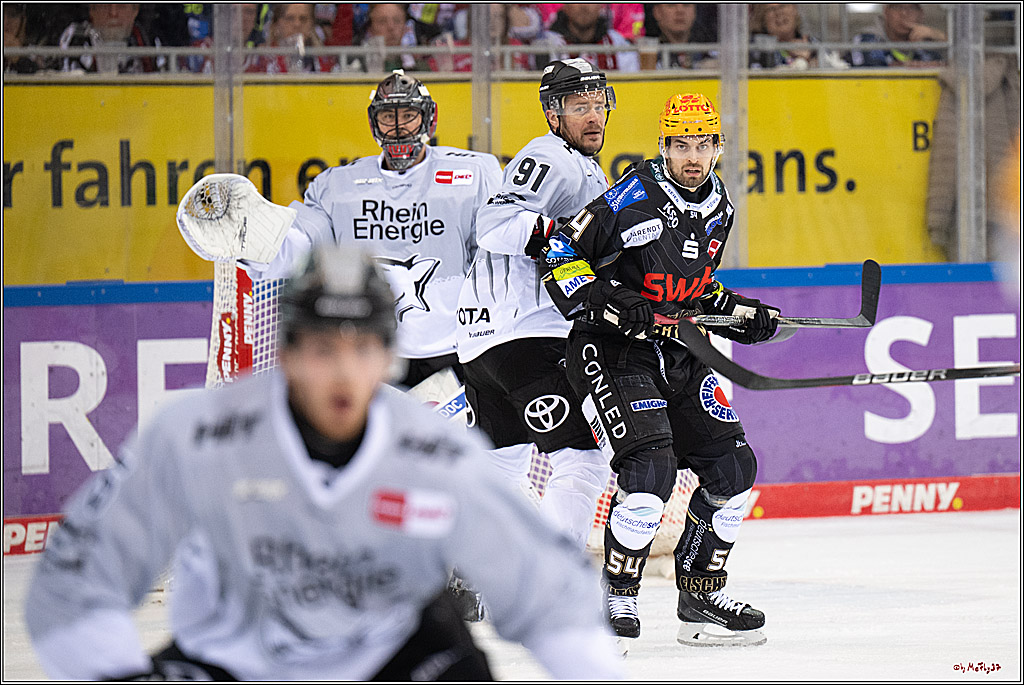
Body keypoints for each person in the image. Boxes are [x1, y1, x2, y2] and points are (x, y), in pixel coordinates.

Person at [25, 244, 626, 681]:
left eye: (362, 348)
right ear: (285, 351)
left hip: (396, 658)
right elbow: (74, 582)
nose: (343, 373)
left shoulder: (432, 452)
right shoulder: (195, 437)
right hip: (232, 661)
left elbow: (552, 594)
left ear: (390, 356)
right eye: (321, 349)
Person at [541, 92, 778, 646]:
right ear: (664, 146)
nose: (692, 155)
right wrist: (607, 299)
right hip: (611, 350)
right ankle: (616, 596)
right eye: (680, 144)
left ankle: (699, 597)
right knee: (650, 476)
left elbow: (695, 292)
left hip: (677, 352)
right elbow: (558, 254)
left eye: (702, 144)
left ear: (718, 147)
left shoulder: (719, 203)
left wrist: (743, 313)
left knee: (734, 471)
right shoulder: (631, 197)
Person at [241, 70, 502, 390]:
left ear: (429, 120)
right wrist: (252, 240)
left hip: (460, 348)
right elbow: (301, 242)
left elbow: (499, 245)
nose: (397, 127)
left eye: (408, 115)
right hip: (374, 347)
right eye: (387, 117)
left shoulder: (474, 172)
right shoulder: (337, 186)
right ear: (373, 123)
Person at [456, 58, 614, 562]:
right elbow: (495, 225)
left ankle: (475, 572)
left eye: (598, 105)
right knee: (583, 460)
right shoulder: (552, 157)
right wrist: (554, 234)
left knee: (502, 463)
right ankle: (559, 586)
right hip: (528, 337)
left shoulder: (585, 167)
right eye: (578, 107)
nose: (593, 117)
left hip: (481, 345)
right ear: (553, 114)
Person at [58, 3, 166, 74]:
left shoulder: (149, 40)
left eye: (121, 6)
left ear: (135, 10)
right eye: (105, 5)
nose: (113, 13)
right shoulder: (76, 37)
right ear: (92, 9)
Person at [536, 4, 640, 72]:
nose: (584, 6)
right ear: (565, 6)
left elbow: (631, 81)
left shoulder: (617, 41)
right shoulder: (546, 43)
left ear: (601, 6)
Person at [749, 3, 847, 70]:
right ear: (762, 18)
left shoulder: (813, 43)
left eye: (783, 5)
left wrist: (809, 61)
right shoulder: (755, 48)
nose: (779, 13)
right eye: (771, 9)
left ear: (795, 10)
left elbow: (836, 72)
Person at [850, 3, 946, 67]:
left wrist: (940, 37)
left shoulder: (929, 41)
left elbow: (953, 69)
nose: (904, 13)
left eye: (911, 8)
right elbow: (873, 73)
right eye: (897, 7)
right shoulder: (866, 39)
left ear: (921, 14)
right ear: (886, 12)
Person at [261, 3, 335, 73]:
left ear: (311, 25)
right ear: (276, 25)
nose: (297, 24)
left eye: (303, 19)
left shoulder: (325, 61)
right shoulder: (263, 60)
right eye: (290, 18)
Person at [357, 3, 431, 73]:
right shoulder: (357, 67)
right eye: (382, 21)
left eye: (397, 21)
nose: (391, 27)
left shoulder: (421, 70)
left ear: (405, 27)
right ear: (370, 29)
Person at [647, 3, 713, 69]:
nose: (680, 11)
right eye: (671, 5)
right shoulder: (645, 56)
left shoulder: (711, 53)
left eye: (686, 5)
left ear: (695, 11)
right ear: (657, 12)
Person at [3, 3, 41, 74]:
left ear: (23, 21)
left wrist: (18, 58)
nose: (5, 22)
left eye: (12, 15)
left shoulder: (33, 52)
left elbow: (41, 77)